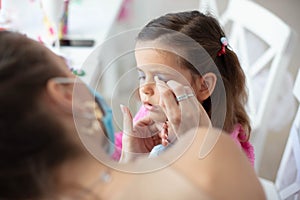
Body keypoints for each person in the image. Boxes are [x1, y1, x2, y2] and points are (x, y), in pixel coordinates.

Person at [0, 30, 266, 200]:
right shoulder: (211, 162)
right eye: (69, 69)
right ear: (63, 94)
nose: (145, 89)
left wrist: (129, 161)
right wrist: (199, 143)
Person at [114, 11, 254, 166]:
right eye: (142, 76)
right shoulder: (150, 114)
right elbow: (119, 154)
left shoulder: (224, 148)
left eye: (160, 79)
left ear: (204, 85)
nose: (145, 89)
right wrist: (130, 158)